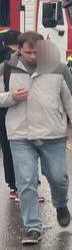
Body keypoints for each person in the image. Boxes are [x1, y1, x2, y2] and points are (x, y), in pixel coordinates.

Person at [0, 32, 72, 245]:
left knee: (58, 177)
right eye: (28, 52)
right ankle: (32, 227)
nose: (33, 56)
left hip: (52, 134)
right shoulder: (6, 69)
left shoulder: (59, 69)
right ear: (19, 49)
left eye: (37, 52)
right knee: (26, 182)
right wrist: (11, 97)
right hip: (20, 135)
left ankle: (61, 204)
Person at [1, 29, 19, 199]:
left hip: (2, 109)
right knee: (21, 146)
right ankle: (22, 185)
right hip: (15, 106)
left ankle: (13, 186)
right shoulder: (15, 60)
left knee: (7, 148)